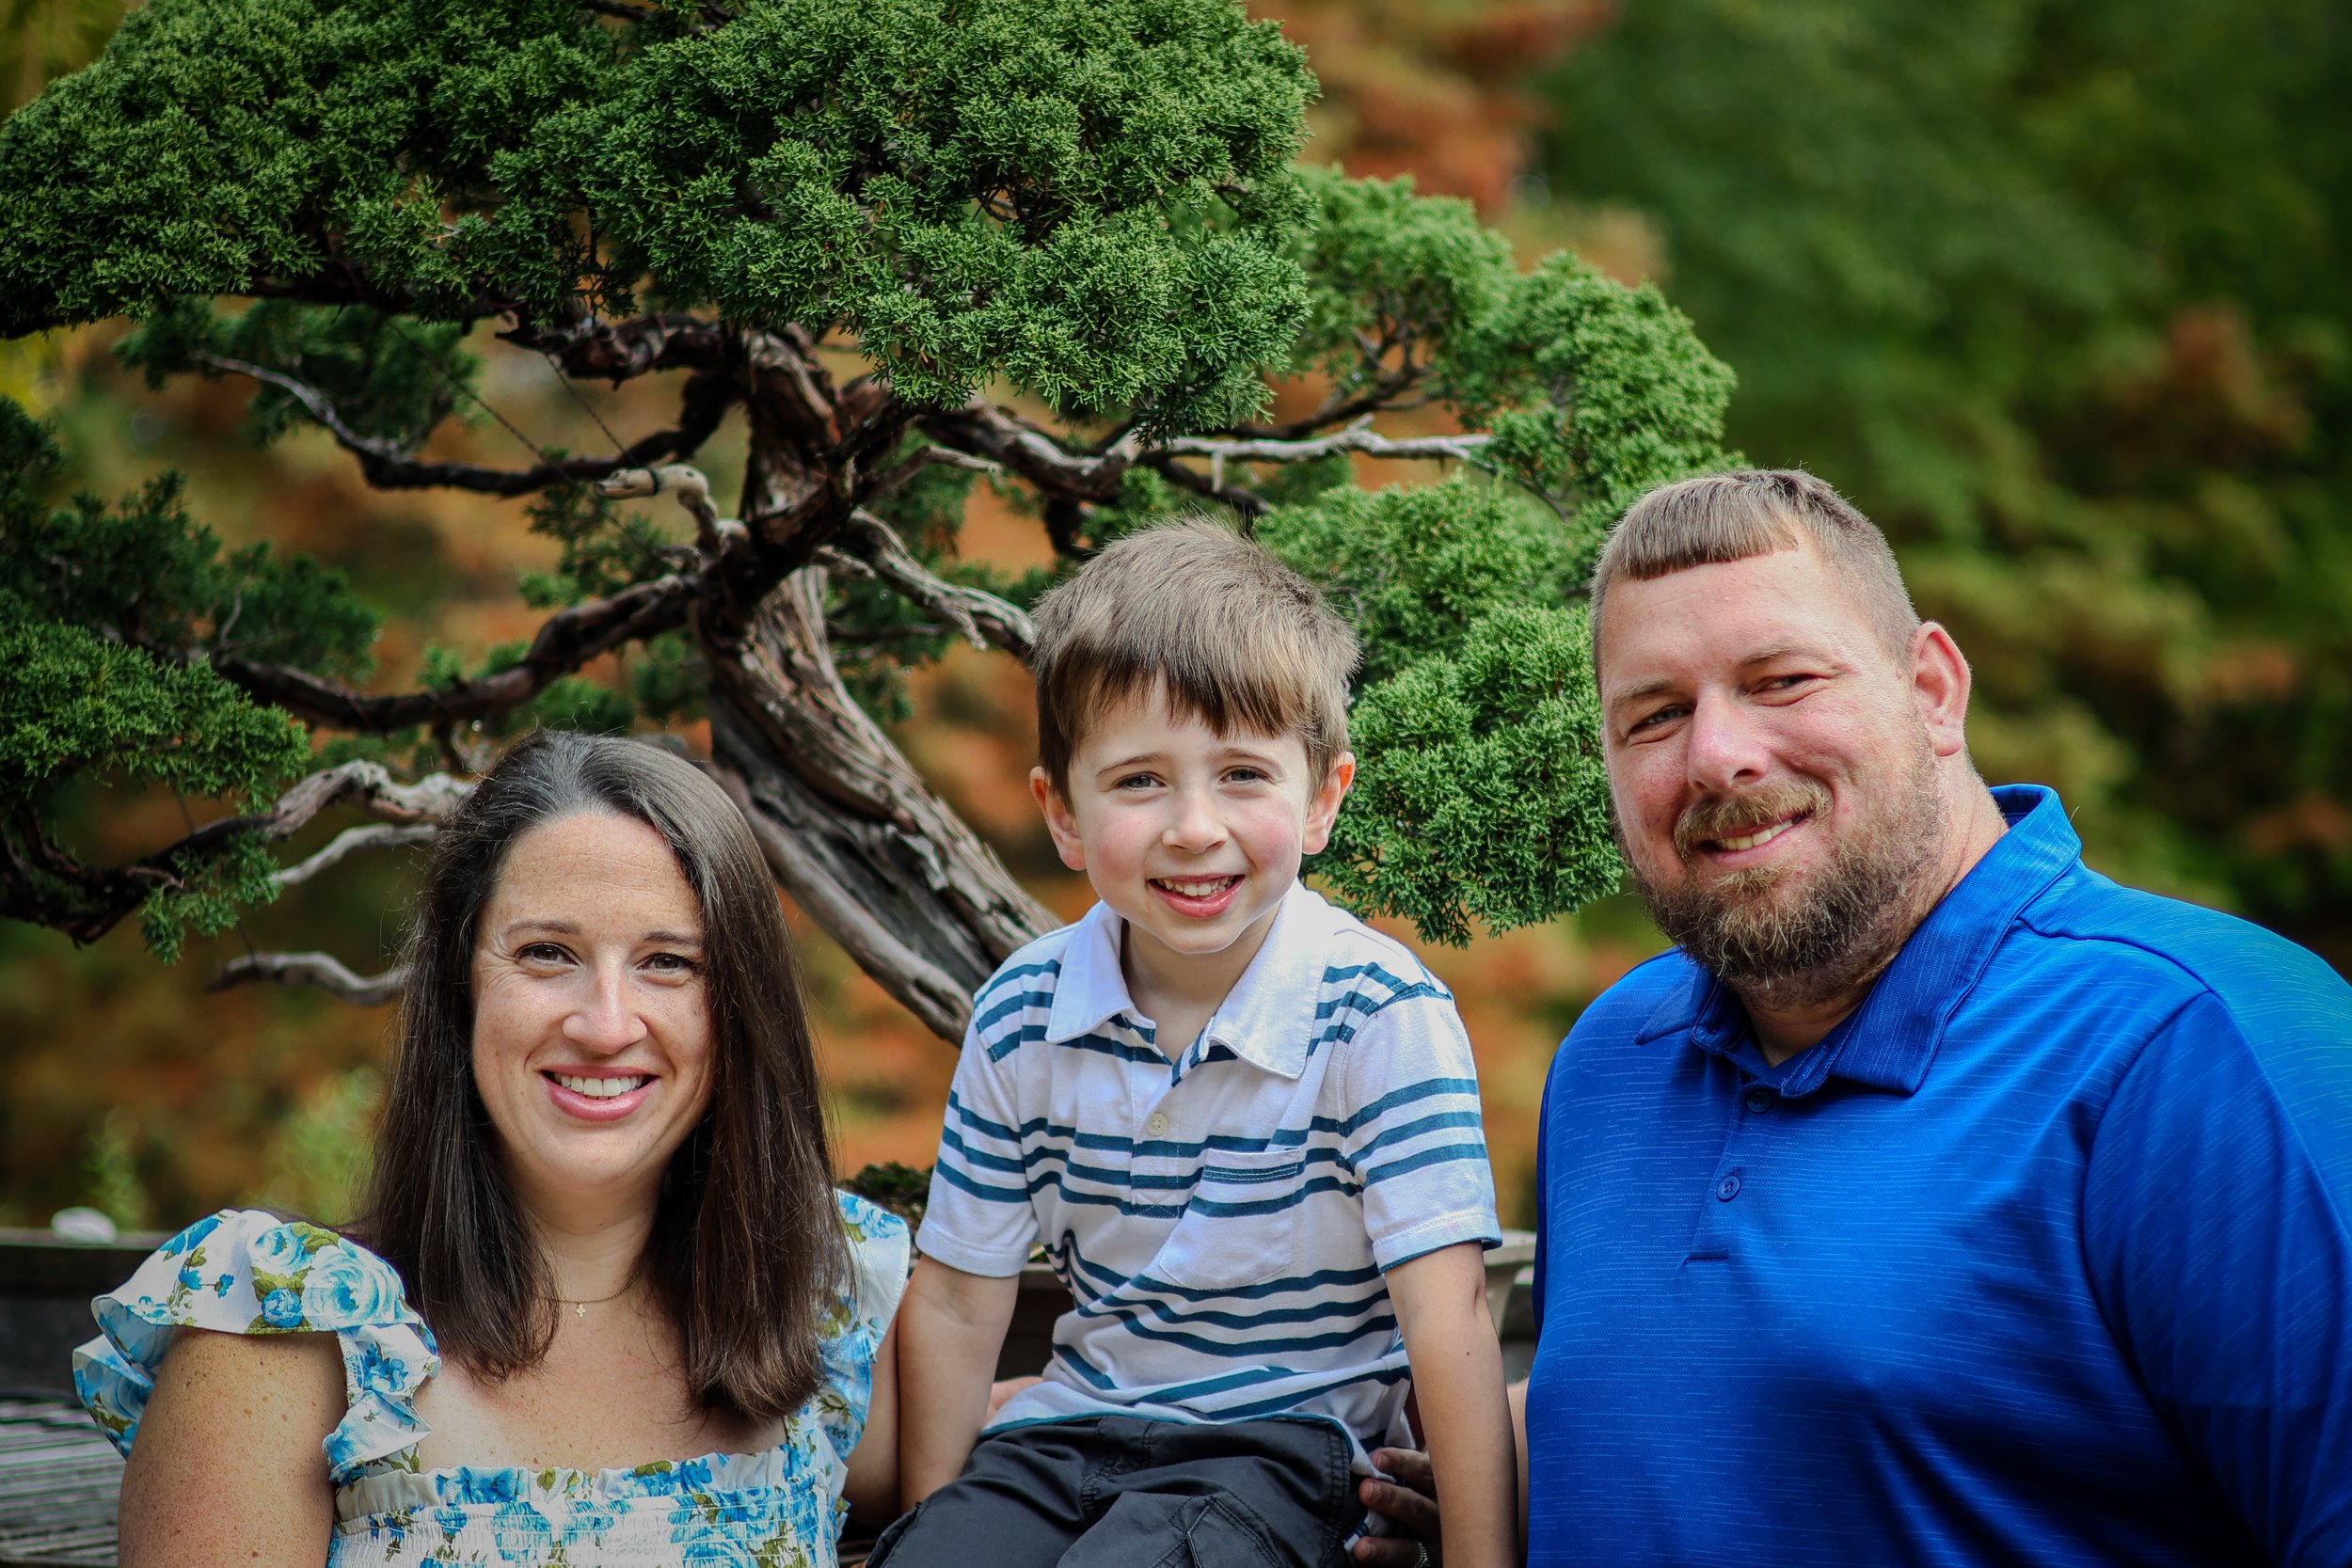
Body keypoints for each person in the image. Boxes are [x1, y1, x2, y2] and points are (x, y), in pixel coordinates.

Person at [1362, 467, 2352, 1566]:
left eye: (1780, 679)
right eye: (1655, 714)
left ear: (1932, 689)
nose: (1717, 755)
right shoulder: (1609, 1059)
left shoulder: (2208, 1043)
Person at [73, 731, 911, 1566]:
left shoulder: (812, 1314)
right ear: (460, 986)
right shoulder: (286, 1336)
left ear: (739, 1008)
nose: (606, 1024)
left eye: (668, 961)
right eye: (547, 953)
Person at [879, 520, 1518, 1568]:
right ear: (1063, 812)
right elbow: (953, 1298)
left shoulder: (1375, 1012)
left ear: (1321, 799)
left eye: (1242, 774)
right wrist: (938, 1522)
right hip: (1068, 1432)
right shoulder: (1021, 1013)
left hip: (1285, 1450)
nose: (1192, 825)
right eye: (1139, 780)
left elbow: (1447, 1316)